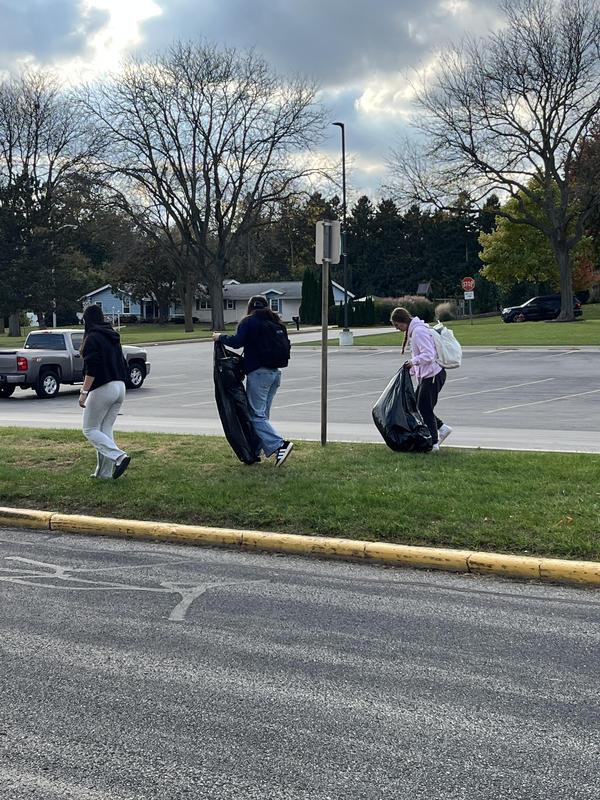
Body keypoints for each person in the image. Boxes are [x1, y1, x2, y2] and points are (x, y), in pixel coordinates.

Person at [213, 295, 293, 466]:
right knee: (262, 414)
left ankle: (280, 445)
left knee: (255, 415)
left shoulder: (249, 322)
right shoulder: (276, 323)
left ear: (250, 307)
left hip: (258, 373)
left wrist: (220, 337)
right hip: (275, 373)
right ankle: (255, 451)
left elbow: (237, 342)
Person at [79, 304, 131, 479]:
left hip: (104, 387)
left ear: (87, 320)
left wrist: (84, 392)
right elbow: (123, 362)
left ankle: (119, 456)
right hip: (120, 386)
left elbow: (92, 368)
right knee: (104, 428)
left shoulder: (93, 338)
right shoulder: (112, 335)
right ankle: (104, 473)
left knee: (89, 429)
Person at [390, 307, 452, 452]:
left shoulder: (418, 332)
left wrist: (414, 362)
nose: (397, 329)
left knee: (424, 408)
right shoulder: (416, 331)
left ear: (402, 321)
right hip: (429, 375)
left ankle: (434, 443)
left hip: (432, 375)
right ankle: (442, 428)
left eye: (397, 325)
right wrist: (412, 369)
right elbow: (422, 356)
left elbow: (429, 355)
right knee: (419, 407)